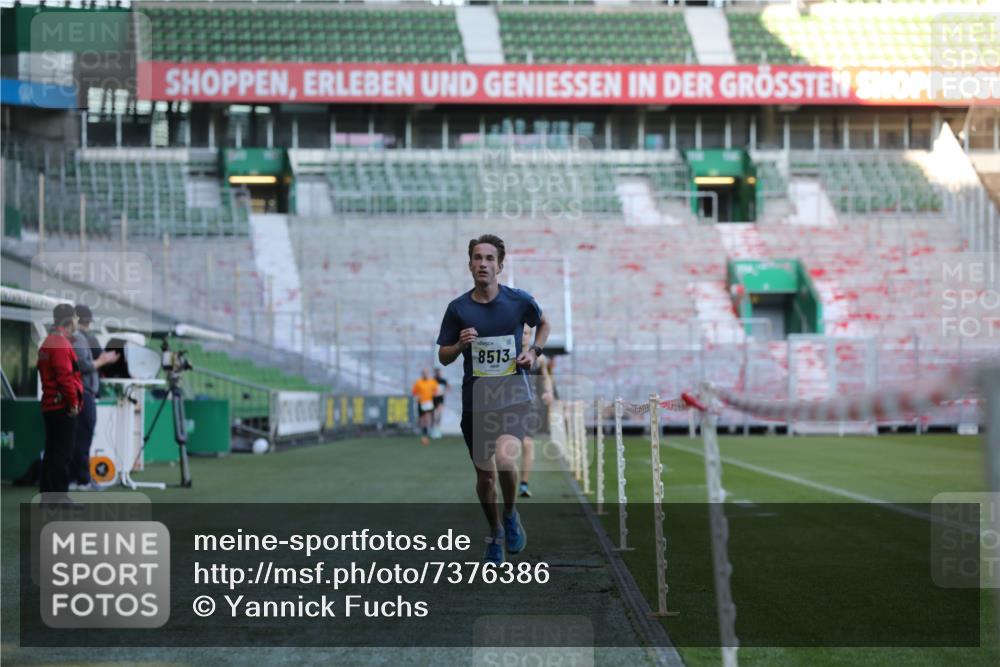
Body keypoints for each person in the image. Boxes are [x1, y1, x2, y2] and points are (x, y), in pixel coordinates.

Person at [437, 234, 550, 565]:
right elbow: (443, 356)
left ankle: (512, 513)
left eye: (489, 258)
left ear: (500, 266)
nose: (483, 263)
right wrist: (459, 345)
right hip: (477, 401)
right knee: (484, 476)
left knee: (504, 458)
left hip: (514, 396)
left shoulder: (518, 301)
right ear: (470, 264)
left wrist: (533, 351)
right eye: (477, 257)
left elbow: (543, 324)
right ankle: (496, 531)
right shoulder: (458, 309)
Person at [69, 305, 119, 489]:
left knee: (79, 438)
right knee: (83, 438)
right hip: (83, 394)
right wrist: (104, 360)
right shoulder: (79, 339)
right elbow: (83, 365)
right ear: (87, 322)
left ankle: (76, 479)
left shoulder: (80, 338)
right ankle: (82, 480)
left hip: (81, 394)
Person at [37, 304, 84, 493]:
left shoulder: (49, 341)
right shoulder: (60, 343)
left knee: (52, 453)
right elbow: (65, 378)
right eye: (76, 318)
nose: (77, 321)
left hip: (51, 406)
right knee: (62, 455)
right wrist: (73, 403)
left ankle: (49, 498)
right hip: (61, 407)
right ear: (69, 320)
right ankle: (58, 499)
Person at [518, 324, 554, 499]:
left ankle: (524, 485)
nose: (524, 336)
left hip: (530, 406)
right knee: (505, 448)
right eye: (521, 333)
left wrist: (548, 392)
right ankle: (502, 481)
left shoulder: (539, 359)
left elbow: (546, 378)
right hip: (508, 407)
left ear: (531, 335)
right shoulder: (509, 355)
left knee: (527, 444)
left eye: (527, 333)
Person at [411, 368, 439, 446]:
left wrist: (434, 395)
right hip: (421, 403)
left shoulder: (432, 382)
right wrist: (417, 396)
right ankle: (424, 433)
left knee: (428, 418)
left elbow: (436, 391)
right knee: (422, 419)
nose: (425, 374)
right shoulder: (418, 382)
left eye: (426, 373)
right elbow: (414, 392)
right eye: (424, 373)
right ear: (422, 374)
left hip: (429, 403)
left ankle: (430, 432)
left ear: (428, 374)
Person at [431, 367, 449, 439]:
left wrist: (443, 392)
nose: (438, 373)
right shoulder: (432, 380)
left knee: (439, 414)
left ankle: (437, 429)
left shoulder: (443, 380)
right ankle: (434, 429)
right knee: (434, 415)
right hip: (433, 400)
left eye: (439, 372)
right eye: (437, 372)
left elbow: (448, 387)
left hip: (440, 400)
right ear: (435, 373)